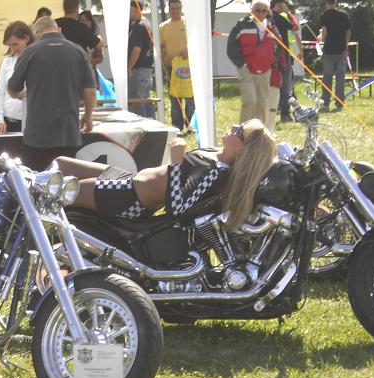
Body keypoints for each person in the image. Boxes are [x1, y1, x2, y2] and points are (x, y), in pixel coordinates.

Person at [56, 119, 276, 231]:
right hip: (129, 180)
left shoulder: (215, 173)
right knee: (60, 164)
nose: (234, 126)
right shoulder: (214, 154)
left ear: (242, 150)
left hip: (129, 198)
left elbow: (179, 210)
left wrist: (176, 162)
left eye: (240, 131)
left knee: (58, 192)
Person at [7, 16, 95, 171]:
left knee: (36, 180)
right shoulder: (78, 51)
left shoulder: (30, 52)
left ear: (37, 33)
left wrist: (17, 94)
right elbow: (90, 89)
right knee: (65, 181)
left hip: (37, 134)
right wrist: (88, 116)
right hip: (68, 133)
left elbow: (13, 87)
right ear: (58, 29)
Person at [227, 1, 279, 132]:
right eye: (257, 10)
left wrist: (271, 62)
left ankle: (258, 134)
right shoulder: (242, 24)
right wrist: (242, 64)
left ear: (268, 12)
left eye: (263, 10)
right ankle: (243, 133)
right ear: (252, 11)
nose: (260, 13)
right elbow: (231, 46)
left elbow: (279, 46)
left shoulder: (272, 27)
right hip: (246, 69)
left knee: (262, 103)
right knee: (250, 100)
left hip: (265, 70)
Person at [159, 0, 194, 132]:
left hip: (188, 65)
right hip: (171, 67)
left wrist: (188, 50)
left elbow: (195, 41)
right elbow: (160, 46)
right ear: (168, 10)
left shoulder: (188, 23)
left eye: (177, 8)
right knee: (174, 98)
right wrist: (164, 58)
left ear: (181, 8)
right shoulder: (163, 26)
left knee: (190, 97)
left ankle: (191, 125)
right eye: (172, 8)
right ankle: (177, 126)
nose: (175, 11)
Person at [0, 21, 33, 135]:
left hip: (32, 119)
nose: (12, 48)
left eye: (15, 44)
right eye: (9, 45)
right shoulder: (6, 61)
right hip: (9, 119)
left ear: (26, 39)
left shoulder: (38, 59)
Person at [319, 0, 350, 112]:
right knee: (340, 78)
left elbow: (324, 31)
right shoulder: (344, 15)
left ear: (326, 4)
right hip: (341, 51)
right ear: (336, 3)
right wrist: (345, 45)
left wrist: (322, 40)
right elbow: (348, 32)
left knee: (327, 78)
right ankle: (339, 103)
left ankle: (325, 102)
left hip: (329, 51)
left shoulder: (324, 15)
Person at [128, 1, 155, 118]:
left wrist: (129, 67)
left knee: (137, 103)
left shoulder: (138, 26)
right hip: (147, 70)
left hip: (138, 70)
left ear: (135, 9)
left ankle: (142, 126)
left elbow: (136, 49)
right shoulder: (147, 23)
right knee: (146, 100)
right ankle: (153, 124)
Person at [271, 0, 295, 122]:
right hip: (282, 57)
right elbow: (296, 27)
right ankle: (285, 115)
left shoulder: (266, 18)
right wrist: (288, 13)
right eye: (282, 4)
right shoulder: (279, 18)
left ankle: (269, 114)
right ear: (277, 5)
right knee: (285, 86)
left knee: (271, 86)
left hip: (269, 57)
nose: (284, 6)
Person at [78, 10, 104, 87]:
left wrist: (89, 62)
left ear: (91, 22)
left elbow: (100, 58)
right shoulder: (76, 36)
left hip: (91, 72)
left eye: (86, 20)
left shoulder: (96, 38)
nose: (84, 22)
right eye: (82, 20)